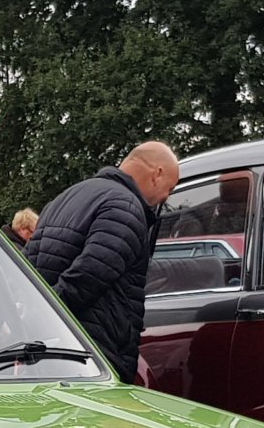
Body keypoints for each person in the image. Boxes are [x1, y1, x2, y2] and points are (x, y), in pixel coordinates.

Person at [25, 141, 180, 382]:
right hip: (94, 353)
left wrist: (37, 318)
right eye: (169, 188)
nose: (165, 197)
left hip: (51, 349)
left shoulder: (65, 197)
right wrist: (52, 315)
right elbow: (91, 274)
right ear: (157, 174)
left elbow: (28, 266)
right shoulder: (126, 207)